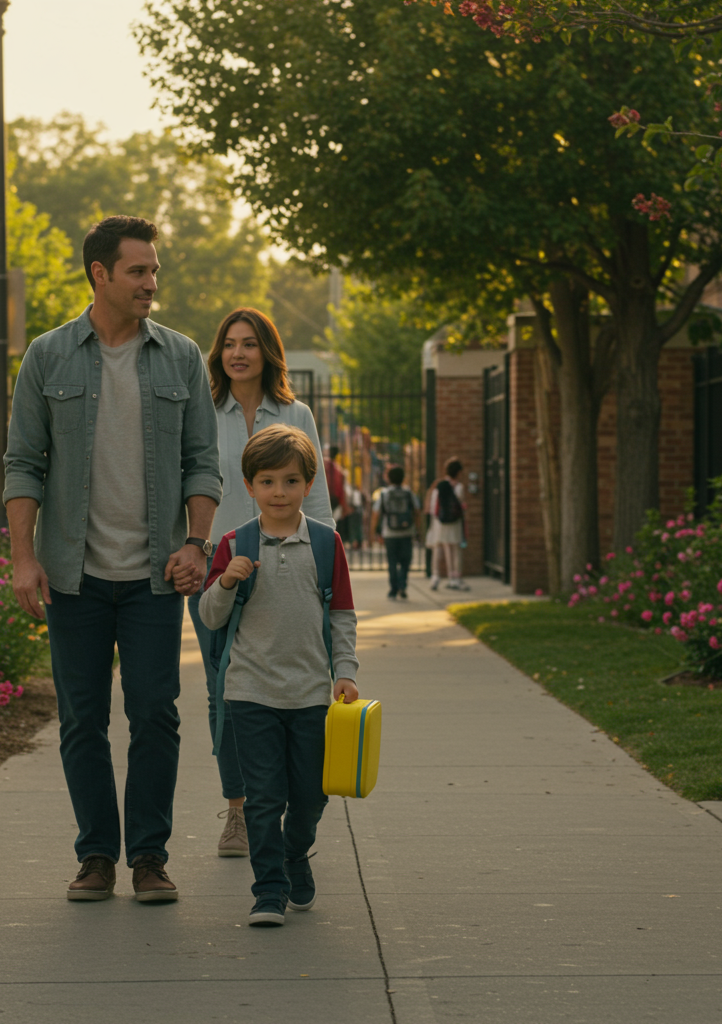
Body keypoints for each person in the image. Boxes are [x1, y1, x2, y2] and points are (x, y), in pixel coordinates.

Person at [5, 216, 222, 903]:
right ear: (100, 274)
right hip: (74, 574)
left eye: (155, 271)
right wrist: (22, 558)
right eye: (139, 271)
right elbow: (22, 463)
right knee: (81, 720)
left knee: (157, 713)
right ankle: (97, 854)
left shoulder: (182, 356)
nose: (152, 283)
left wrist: (196, 544)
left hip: (157, 575)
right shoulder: (47, 356)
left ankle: (149, 857)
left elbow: (203, 463)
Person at [199, 424, 359, 927]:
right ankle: (268, 889)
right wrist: (226, 581)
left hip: (311, 692)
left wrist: (346, 672)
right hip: (251, 692)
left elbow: (343, 616)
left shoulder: (327, 545)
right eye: (267, 482)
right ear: (249, 486)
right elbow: (209, 616)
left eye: (291, 481)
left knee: (311, 795)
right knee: (264, 797)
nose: (279, 492)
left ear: (308, 484)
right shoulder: (233, 543)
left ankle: (295, 856)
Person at [191, 306, 333, 858]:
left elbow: (315, 497)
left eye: (249, 343)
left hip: (287, 567)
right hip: (217, 566)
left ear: (266, 351)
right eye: (229, 343)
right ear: (219, 352)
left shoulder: (296, 414)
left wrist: (324, 561)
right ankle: (240, 812)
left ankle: (286, 805)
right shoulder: (201, 412)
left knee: (291, 687)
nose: (238, 353)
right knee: (223, 691)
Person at [371, 464, 420, 600]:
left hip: (390, 533)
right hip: (407, 532)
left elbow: (376, 514)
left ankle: (393, 589)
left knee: (392, 562)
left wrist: (374, 532)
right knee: (405, 561)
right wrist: (418, 530)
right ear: (403, 478)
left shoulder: (384, 494)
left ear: (389, 479)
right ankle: (402, 585)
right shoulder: (409, 493)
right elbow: (416, 512)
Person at [426, 456, 469, 591]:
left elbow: (434, 506)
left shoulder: (439, 485)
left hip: (440, 522)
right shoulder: (459, 487)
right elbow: (461, 505)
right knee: (455, 549)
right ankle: (454, 577)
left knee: (438, 549)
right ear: (458, 472)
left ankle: (435, 576)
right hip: (454, 522)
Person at [323, 445, 349, 523]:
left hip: (325, 499)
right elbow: (341, 491)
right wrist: (344, 506)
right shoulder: (339, 471)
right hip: (334, 500)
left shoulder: (324, 466)